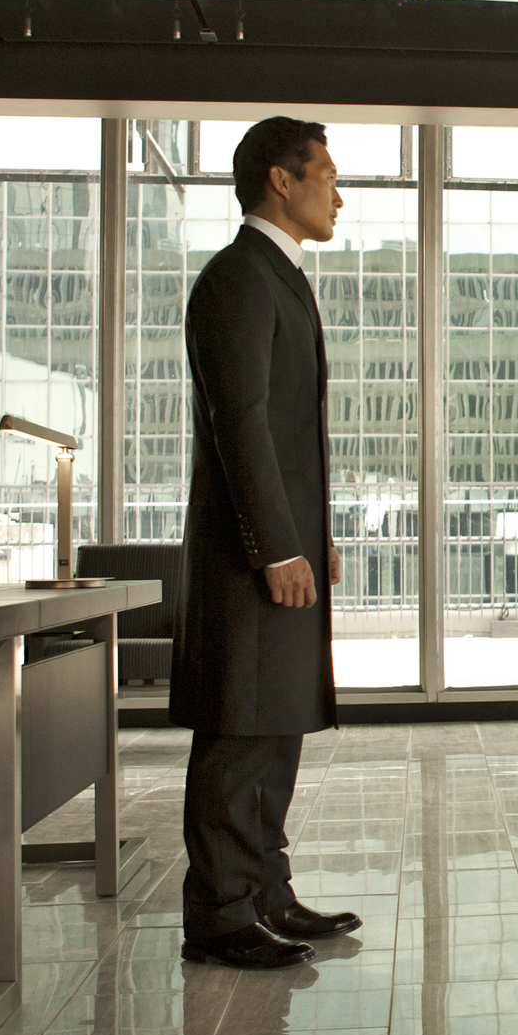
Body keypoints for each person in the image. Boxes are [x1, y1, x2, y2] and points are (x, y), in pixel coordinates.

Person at [174, 117, 361, 970]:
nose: (337, 191)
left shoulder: (277, 276)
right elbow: (242, 423)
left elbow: (288, 436)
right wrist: (275, 546)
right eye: (325, 173)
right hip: (245, 558)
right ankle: (219, 911)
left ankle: (265, 893)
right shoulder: (237, 278)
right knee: (239, 728)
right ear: (280, 181)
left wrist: (308, 540)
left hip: (280, 547)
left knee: (274, 723)